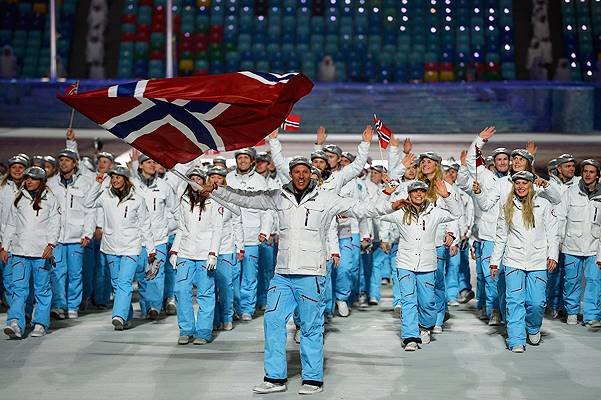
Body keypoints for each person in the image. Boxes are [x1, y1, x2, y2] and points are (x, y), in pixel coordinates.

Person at [204, 156, 405, 395]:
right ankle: (274, 377)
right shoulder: (279, 196)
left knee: (311, 326)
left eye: (304, 171)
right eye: (296, 171)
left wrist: (388, 201)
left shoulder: (326, 198)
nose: (300, 175)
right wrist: (216, 190)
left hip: (311, 275)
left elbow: (360, 209)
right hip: (283, 275)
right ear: (291, 174)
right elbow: (246, 199)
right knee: (273, 321)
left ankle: (313, 378)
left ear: (310, 174)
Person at [381, 179, 461, 350]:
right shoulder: (400, 213)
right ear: (409, 195)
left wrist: (447, 196)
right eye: (414, 191)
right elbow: (378, 212)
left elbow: (456, 213)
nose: (418, 194)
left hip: (427, 264)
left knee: (427, 302)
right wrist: (387, 193)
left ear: (426, 194)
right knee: (408, 300)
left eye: (422, 191)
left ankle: (425, 326)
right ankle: (410, 337)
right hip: (405, 263)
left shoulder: (435, 212)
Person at [490, 171, 559, 353]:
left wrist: (553, 255)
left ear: (531, 185)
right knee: (514, 302)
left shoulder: (543, 204)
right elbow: (501, 235)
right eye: (518, 183)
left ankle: (533, 327)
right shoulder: (507, 206)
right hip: (514, 260)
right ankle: (516, 340)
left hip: (537, 261)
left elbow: (553, 233)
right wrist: (494, 262)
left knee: (536, 303)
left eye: (525, 183)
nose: (521, 186)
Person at [84, 165, 156, 330]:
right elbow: (88, 203)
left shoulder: (137, 199)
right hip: (110, 247)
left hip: (131, 247)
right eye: (113, 177)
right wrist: (97, 184)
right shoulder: (105, 196)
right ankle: (127, 315)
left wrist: (151, 249)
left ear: (125, 179)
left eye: (118, 177)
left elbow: (146, 225)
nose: (115, 180)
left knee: (124, 282)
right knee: (117, 284)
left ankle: (118, 315)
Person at [1, 167, 61, 338]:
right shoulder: (19, 197)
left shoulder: (50, 199)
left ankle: (40, 323)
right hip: (19, 251)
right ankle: (15, 323)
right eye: (27, 178)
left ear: (41, 181)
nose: (29, 181)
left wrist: (51, 245)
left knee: (42, 289)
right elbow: (10, 224)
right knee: (18, 289)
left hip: (41, 253)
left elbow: (54, 224)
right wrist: (5, 247)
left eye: (33, 179)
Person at [170, 167, 224, 345]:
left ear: (204, 181)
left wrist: (213, 253)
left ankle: (203, 331)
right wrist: (175, 251)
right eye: (191, 178)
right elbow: (182, 228)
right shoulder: (184, 199)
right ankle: (186, 329)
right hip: (185, 252)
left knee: (205, 293)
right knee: (180, 290)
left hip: (204, 254)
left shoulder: (213, 201)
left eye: (198, 179)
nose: (195, 181)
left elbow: (217, 229)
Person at [47, 148, 95, 320]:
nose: (63, 163)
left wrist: (87, 233)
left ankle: (73, 305)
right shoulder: (51, 184)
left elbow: (90, 210)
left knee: (75, 273)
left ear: (75, 163)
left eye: (68, 160)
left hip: (76, 237)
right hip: (58, 237)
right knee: (57, 272)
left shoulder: (85, 183)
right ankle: (59, 305)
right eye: (61, 160)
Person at [226, 148, 272, 321]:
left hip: (252, 236)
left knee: (250, 275)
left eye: (246, 158)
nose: (243, 161)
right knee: (232, 274)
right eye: (240, 158)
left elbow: (267, 209)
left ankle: (247, 308)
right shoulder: (228, 178)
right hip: (230, 237)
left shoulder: (260, 181)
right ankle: (234, 306)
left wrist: (264, 230)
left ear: (252, 161)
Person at [132, 154, 178, 320]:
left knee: (156, 273)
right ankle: (146, 307)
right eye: (148, 162)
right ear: (141, 165)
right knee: (142, 276)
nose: (152, 165)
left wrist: (173, 228)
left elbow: (176, 209)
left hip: (159, 238)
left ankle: (154, 307)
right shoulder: (133, 185)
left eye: (154, 162)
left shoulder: (164, 186)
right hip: (138, 239)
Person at [556, 159, 601, 327]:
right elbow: (561, 217)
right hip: (571, 245)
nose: (588, 174)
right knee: (571, 281)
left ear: (597, 175)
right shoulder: (571, 192)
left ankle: (591, 316)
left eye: (592, 171)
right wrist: (560, 239)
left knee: (594, 281)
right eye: (585, 171)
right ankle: (572, 312)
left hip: (594, 247)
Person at [206, 166, 243, 331]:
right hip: (206, 249)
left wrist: (240, 247)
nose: (215, 180)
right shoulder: (204, 198)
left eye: (219, 177)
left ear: (224, 180)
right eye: (212, 177)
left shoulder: (230, 198)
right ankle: (214, 320)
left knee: (226, 285)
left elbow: (237, 224)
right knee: (209, 286)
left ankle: (227, 317)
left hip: (226, 248)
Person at [0, 155, 29, 309]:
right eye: (14, 167)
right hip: (7, 242)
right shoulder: (2, 189)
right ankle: (16, 312)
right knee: (9, 279)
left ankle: (26, 310)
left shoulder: (32, 188)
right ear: (9, 170)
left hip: (27, 243)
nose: (17, 170)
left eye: (21, 167)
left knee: (24, 280)